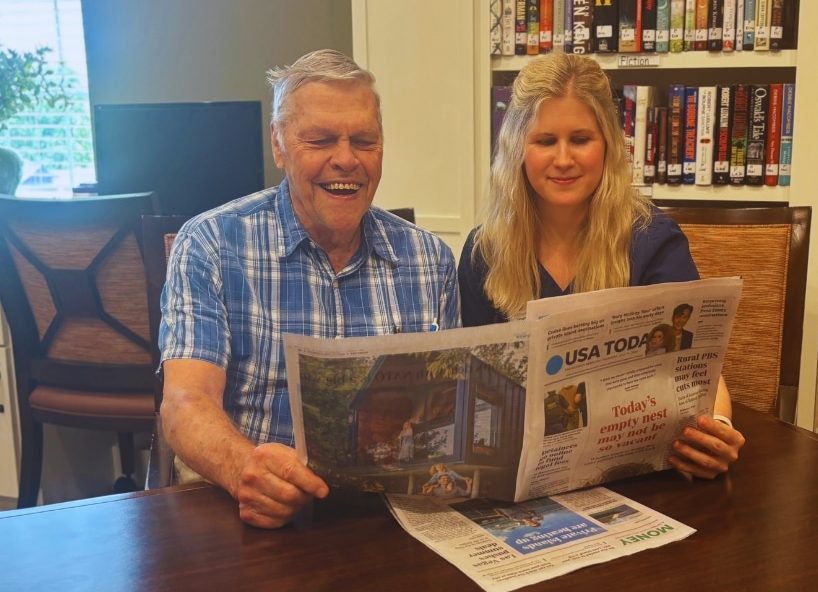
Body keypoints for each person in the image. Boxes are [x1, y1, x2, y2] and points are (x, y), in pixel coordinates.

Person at [159, 49, 460, 529]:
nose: (346, 160)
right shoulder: (211, 244)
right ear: (278, 145)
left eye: (364, 140)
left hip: (386, 517)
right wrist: (245, 469)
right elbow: (184, 404)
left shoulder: (429, 260)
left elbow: (445, 413)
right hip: (249, 511)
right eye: (319, 140)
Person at [457, 53, 744, 480]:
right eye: (545, 141)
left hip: (637, 473)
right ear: (517, 148)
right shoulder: (485, 251)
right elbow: (479, 388)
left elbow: (699, 369)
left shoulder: (653, 240)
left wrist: (716, 427)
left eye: (580, 138)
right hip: (528, 475)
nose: (564, 158)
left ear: (607, 143)